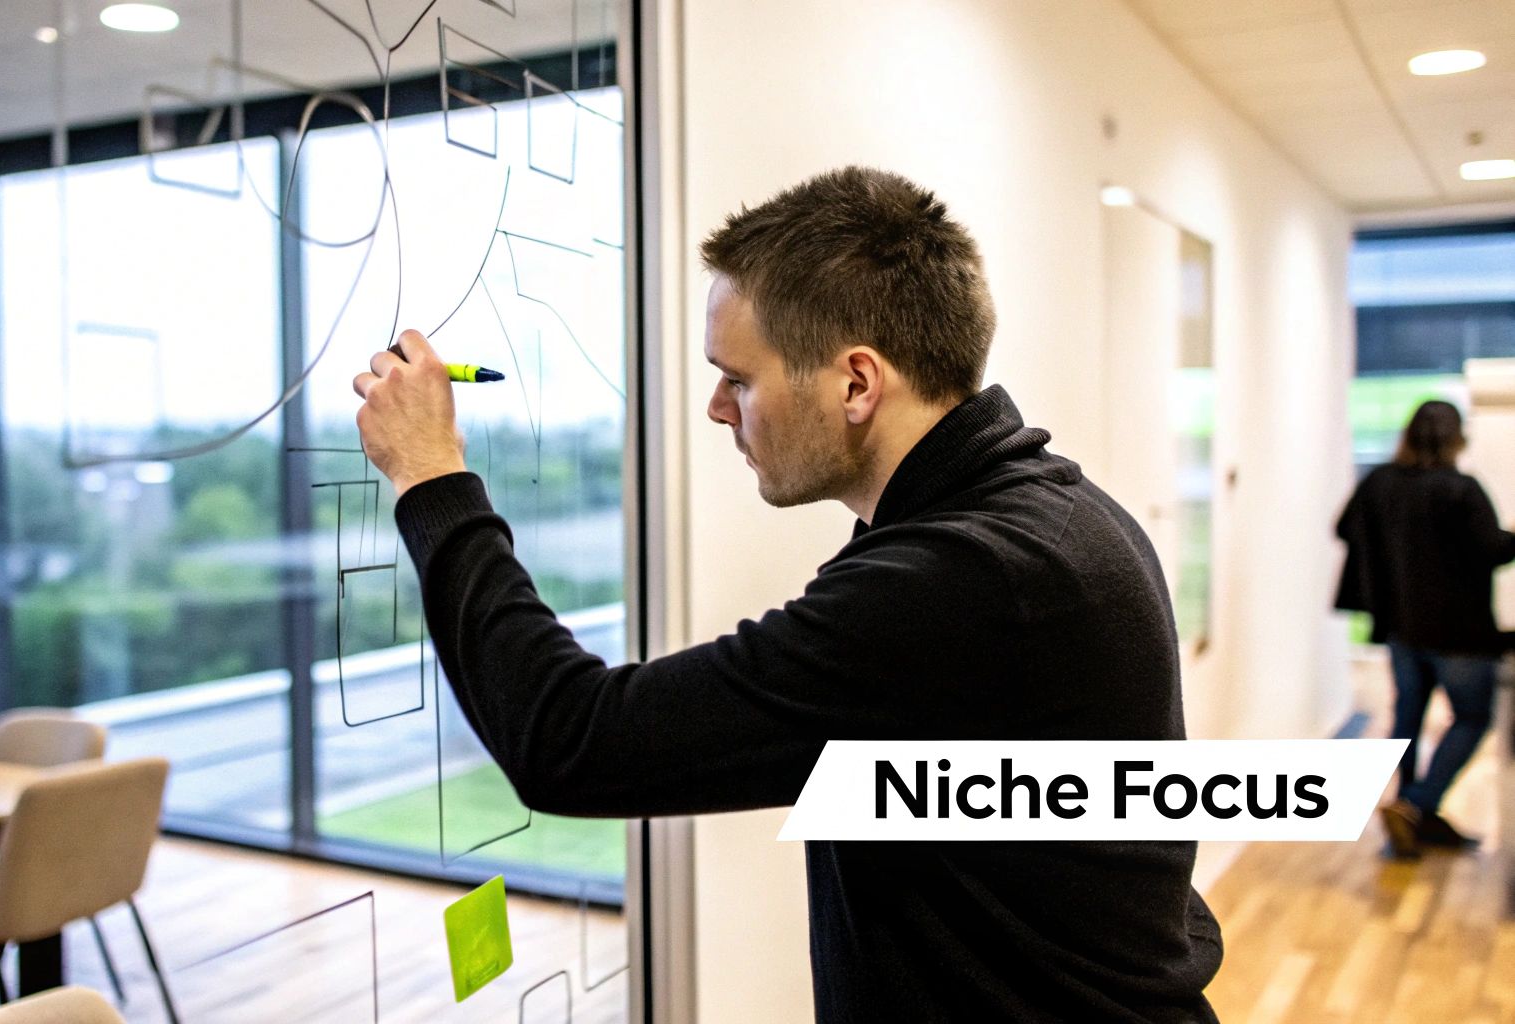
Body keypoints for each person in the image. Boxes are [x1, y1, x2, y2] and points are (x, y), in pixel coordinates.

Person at [352, 166, 1222, 1021]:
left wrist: (432, 479)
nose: (717, 409)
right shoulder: (1056, 512)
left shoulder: (962, 580)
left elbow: (570, 739)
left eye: (739, 377)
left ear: (855, 383)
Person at [1336, 400, 1515, 858]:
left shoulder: (1382, 483)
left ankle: (1415, 816)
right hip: (1459, 632)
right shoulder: (1461, 489)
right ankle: (1417, 804)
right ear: (1457, 437)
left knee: (1407, 719)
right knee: (1473, 718)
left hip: (1403, 626)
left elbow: (1345, 527)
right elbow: (1494, 550)